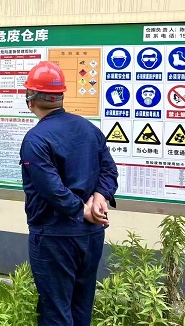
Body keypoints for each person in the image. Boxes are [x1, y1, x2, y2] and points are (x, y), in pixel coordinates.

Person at [19, 61, 118, 326]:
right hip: (91, 235)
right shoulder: (89, 128)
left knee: (56, 312)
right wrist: (100, 197)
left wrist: (82, 209)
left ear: (30, 99)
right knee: (81, 307)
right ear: (61, 96)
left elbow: (51, 188)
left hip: (55, 236)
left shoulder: (36, 139)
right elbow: (109, 170)